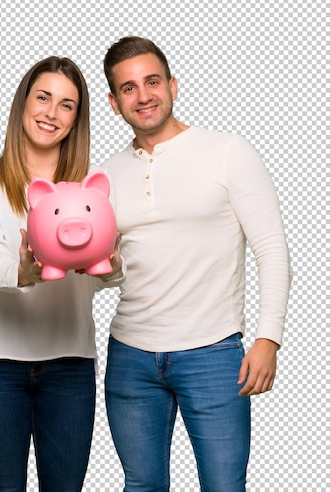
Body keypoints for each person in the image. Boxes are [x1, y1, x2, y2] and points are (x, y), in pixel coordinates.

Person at [100, 36, 292, 491]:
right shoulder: (104, 174)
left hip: (213, 352)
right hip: (129, 355)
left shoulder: (228, 152)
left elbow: (272, 249)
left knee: (224, 486)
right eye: (128, 88)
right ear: (113, 102)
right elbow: (108, 274)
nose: (143, 95)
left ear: (173, 85)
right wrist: (101, 269)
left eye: (152, 82)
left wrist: (269, 338)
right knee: (142, 485)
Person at [0, 56, 124, 491]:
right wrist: (25, 269)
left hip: (69, 362)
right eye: (44, 98)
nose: (52, 113)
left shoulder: (92, 186)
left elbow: (99, 271)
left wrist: (114, 263)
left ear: (77, 119)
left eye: (67, 105)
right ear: (23, 103)